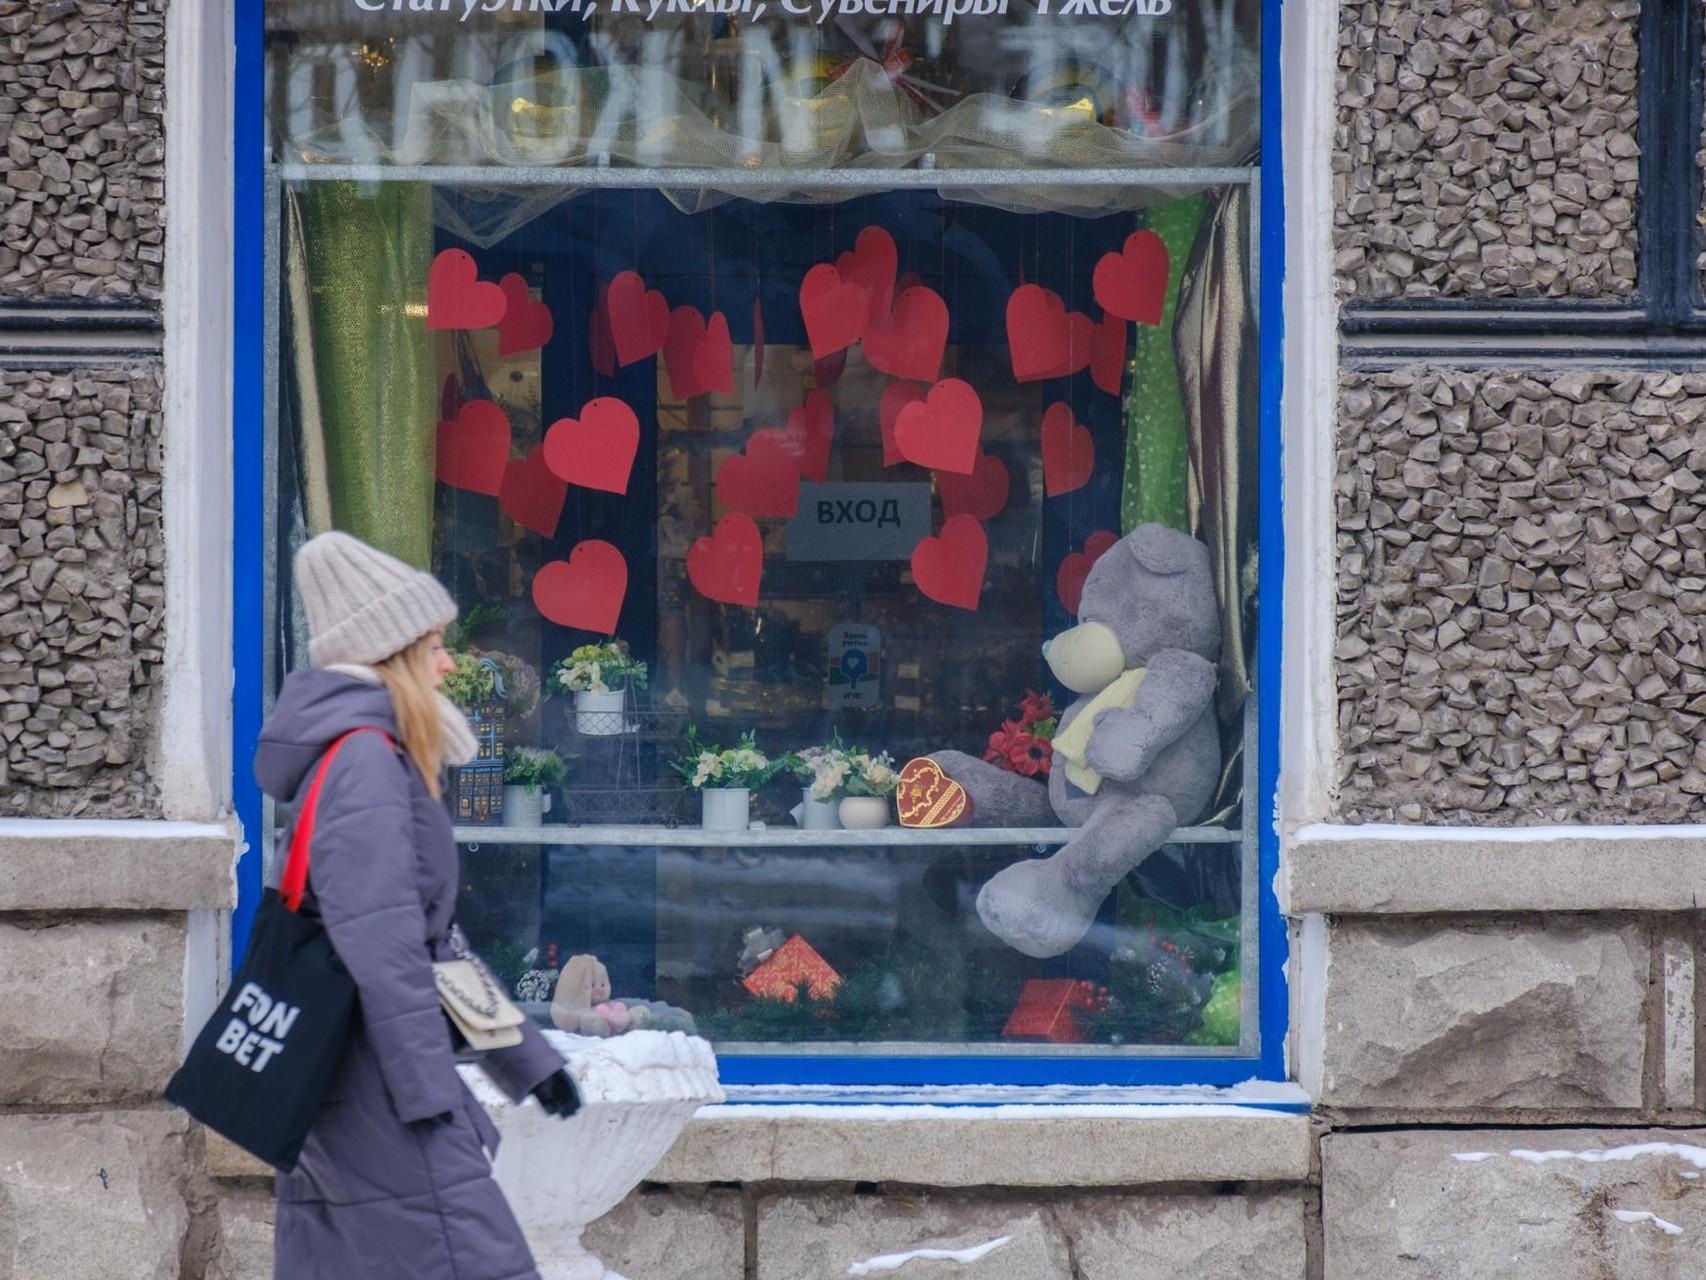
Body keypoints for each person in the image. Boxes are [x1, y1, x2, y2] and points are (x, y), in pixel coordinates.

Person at [255, 531, 580, 1280]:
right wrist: (427, 1094)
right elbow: (386, 946)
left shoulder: (365, 749)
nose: (449, 662)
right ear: (393, 655)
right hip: (381, 1089)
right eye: (434, 644)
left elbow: (436, 944)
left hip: (345, 1072)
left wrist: (526, 1060)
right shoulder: (366, 758)